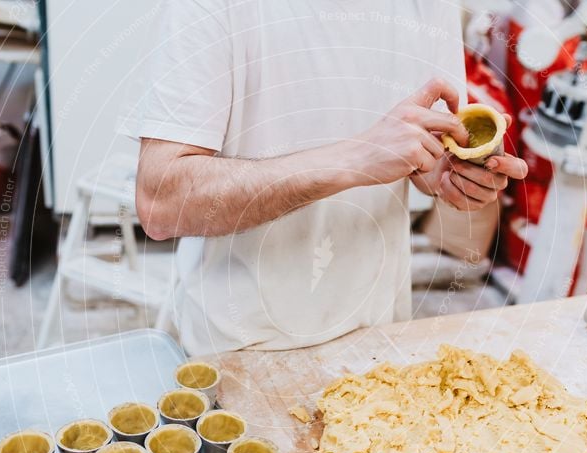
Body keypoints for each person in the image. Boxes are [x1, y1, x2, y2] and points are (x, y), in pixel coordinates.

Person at [121, 0, 528, 355]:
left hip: (377, 336)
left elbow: (425, 154)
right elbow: (162, 202)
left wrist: (451, 177)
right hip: (238, 346)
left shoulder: (428, 6)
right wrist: (352, 159)